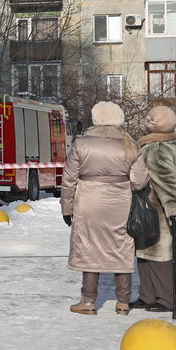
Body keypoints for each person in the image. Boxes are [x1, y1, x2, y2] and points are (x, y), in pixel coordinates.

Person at [60, 101, 148, 316]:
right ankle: (123, 303)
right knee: (122, 248)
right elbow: (139, 181)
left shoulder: (81, 144)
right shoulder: (130, 144)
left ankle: (88, 301)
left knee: (89, 247)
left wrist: (67, 207)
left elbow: (69, 179)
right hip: (120, 201)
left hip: (89, 201)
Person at [133, 105, 176, 313]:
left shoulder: (156, 148)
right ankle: (147, 295)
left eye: (149, 119)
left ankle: (166, 299)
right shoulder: (168, 142)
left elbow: (167, 181)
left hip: (158, 210)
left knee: (160, 255)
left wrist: (175, 209)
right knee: (145, 252)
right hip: (151, 208)